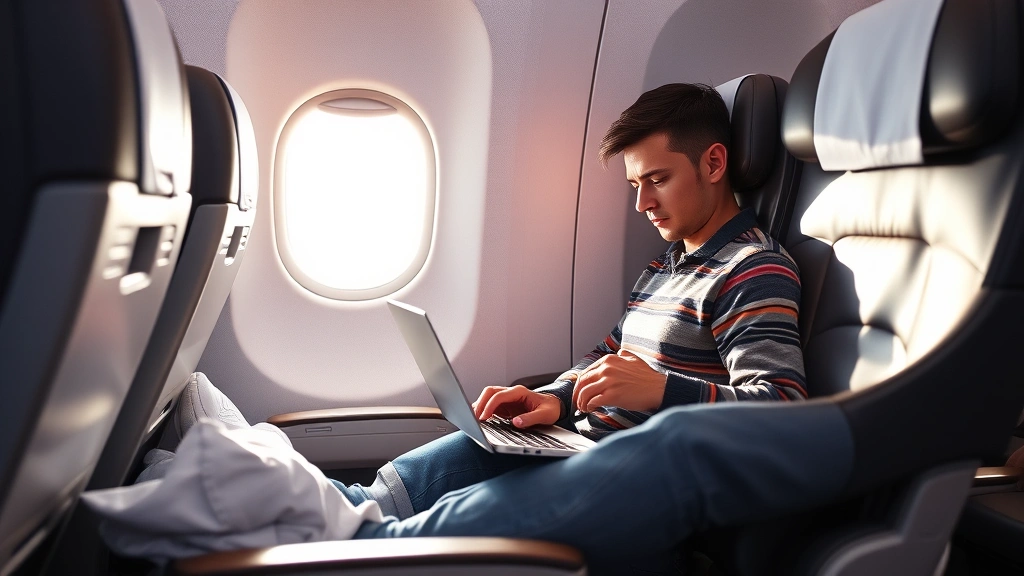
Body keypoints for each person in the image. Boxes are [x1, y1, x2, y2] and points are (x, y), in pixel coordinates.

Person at [129, 82, 824, 572]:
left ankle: (203, 508)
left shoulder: (754, 271)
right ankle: (209, 477)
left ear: (713, 162)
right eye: (634, 185)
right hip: (574, 443)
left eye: (657, 180)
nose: (642, 202)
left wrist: (660, 392)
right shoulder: (668, 265)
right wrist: (554, 397)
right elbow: (609, 358)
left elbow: (785, 415)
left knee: (388, 543)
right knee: (365, 504)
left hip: (635, 487)